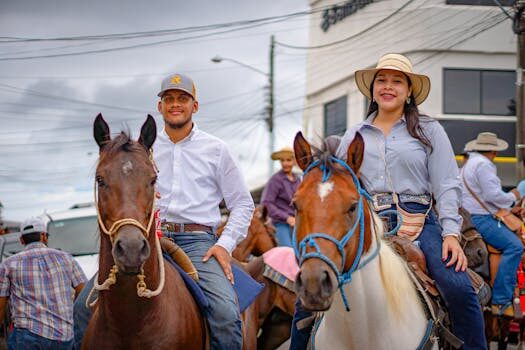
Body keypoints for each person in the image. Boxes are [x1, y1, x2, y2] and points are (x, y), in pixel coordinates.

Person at [290, 53, 486, 350]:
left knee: (459, 289)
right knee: (307, 297)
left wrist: (450, 234)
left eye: (397, 81)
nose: (388, 87)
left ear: (409, 92)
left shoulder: (430, 130)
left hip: (421, 225)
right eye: (381, 80)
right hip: (369, 226)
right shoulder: (354, 134)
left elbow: (447, 185)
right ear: (372, 89)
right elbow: (341, 189)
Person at [153, 73, 255, 350]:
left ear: (194, 106)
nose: (176, 104)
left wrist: (224, 245)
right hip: (149, 240)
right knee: (83, 306)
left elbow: (243, 204)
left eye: (183, 99)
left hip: (197, 243)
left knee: (225, 313)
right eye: (169, 99)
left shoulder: (216, 149)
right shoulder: (145, 148)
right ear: (159, 106)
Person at [461, 132, 524, 317]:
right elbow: (493, 196)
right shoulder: (484, 165)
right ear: (492, 151)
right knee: (515, 246)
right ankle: (501, 301)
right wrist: (514, 197)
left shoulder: (468, 164)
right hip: (481, 218)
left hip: (468, 217)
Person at [0, 217, 86, 350]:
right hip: (63, 336)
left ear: (21, 240)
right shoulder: (66, 258)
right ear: (44, 236)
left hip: (26, 337)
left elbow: (1, 305)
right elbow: (84, 292)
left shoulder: (8, 264)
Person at [261, 147, 301, 247]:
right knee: (288, 251)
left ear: (294, 161)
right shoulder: (276, 180)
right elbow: (267, 203)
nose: (285, 163)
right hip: (281, 224)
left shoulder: (298, 180)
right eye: (282, 160)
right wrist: (287, 218)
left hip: (298, 223)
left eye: (288, 160)